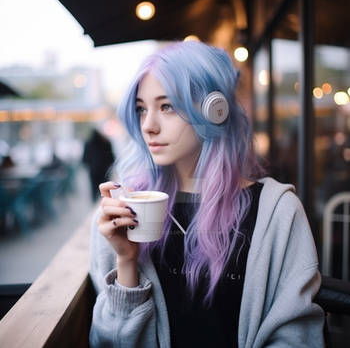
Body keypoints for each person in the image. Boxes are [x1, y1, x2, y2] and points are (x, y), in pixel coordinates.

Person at [89, 41, 325, 348]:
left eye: (167, 106)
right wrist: (126, 261)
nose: (148, 125)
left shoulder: (277, 212)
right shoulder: (124, 209)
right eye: (141, 109)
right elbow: (108, 343)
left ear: (215, 110)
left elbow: (297, 337)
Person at [83, 128, 115, 201]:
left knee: (94, 190)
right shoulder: (106, 142)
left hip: (93, 171)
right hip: (105, 171)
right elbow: (111, 157)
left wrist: (90, 166)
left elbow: (84, 158)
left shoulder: (88, 143)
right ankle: (105, 202)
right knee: (106, 192)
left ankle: (95, 202)